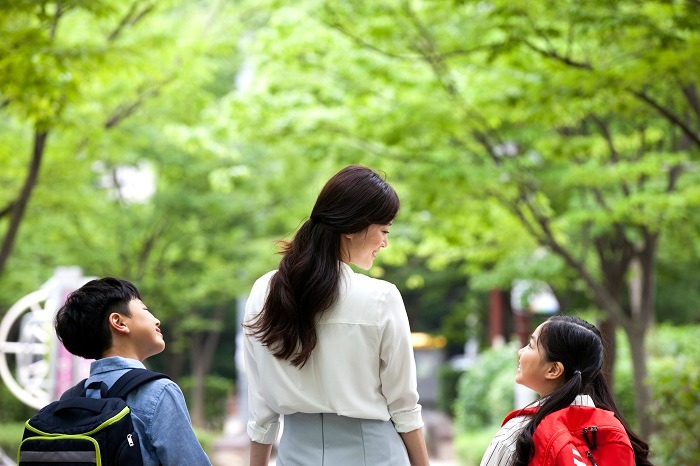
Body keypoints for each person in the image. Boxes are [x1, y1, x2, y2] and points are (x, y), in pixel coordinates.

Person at [243, 165, 429, 466]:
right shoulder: (381, 298)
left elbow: (261, 413)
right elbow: (404, 406)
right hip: (374, 455)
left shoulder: (263, 293)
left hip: (295, 455)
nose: (385, 242)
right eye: (384, 231)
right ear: (352, 228)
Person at [54, 277, 212, 466]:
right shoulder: (158, 391)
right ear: (119, 322)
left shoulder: (71, 399)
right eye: (145, 310)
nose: (157, 320)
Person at [479, 315, 652, 466]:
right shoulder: (612, 431)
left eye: (531, 345)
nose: (520, 351)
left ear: (553, 370)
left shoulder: (520, 432)